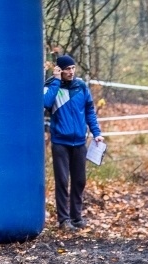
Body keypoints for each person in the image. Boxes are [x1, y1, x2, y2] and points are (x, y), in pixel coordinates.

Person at [43, 54, 104, 231]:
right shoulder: (51, 86)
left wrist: (96, 133)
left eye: (73, 68)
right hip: (60, 142)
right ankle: (64, 220)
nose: (71, 72)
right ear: (60, 70)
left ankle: (76, 217)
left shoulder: (81, 86)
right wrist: (55, 81)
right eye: (67, 69)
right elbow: (45, 103)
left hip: (79, 142)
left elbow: (90, 112)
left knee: (79, 181)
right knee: (62, 180)